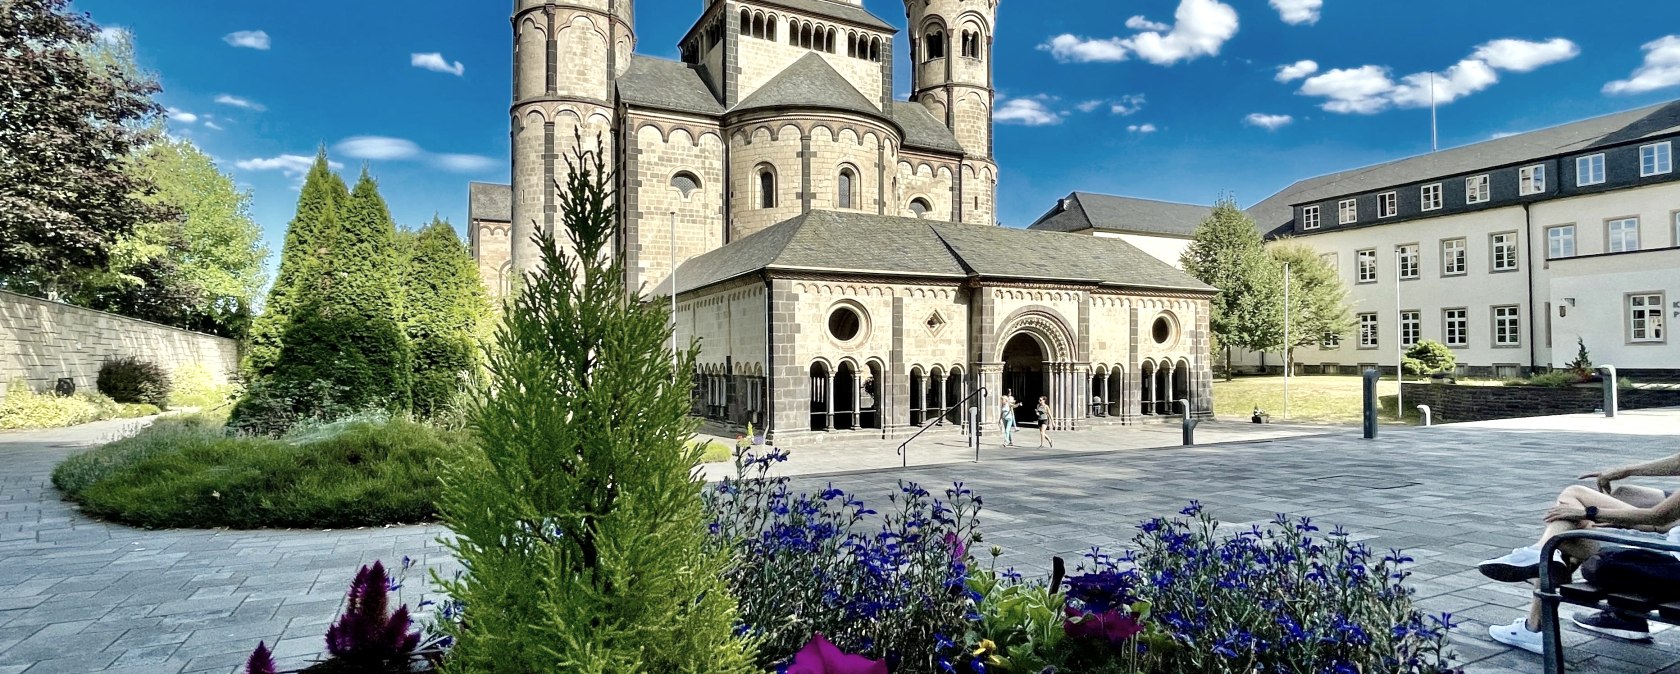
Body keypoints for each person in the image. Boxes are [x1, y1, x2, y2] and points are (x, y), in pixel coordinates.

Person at [1478, 452, 1680, 653]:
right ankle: (1541, 556)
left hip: (1671, 568)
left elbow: (1659, 519)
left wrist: (1589, 513)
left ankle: (1535, 623)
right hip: (1671, 546)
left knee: (1568, 533)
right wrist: (1626, 472)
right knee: (1602, 497)